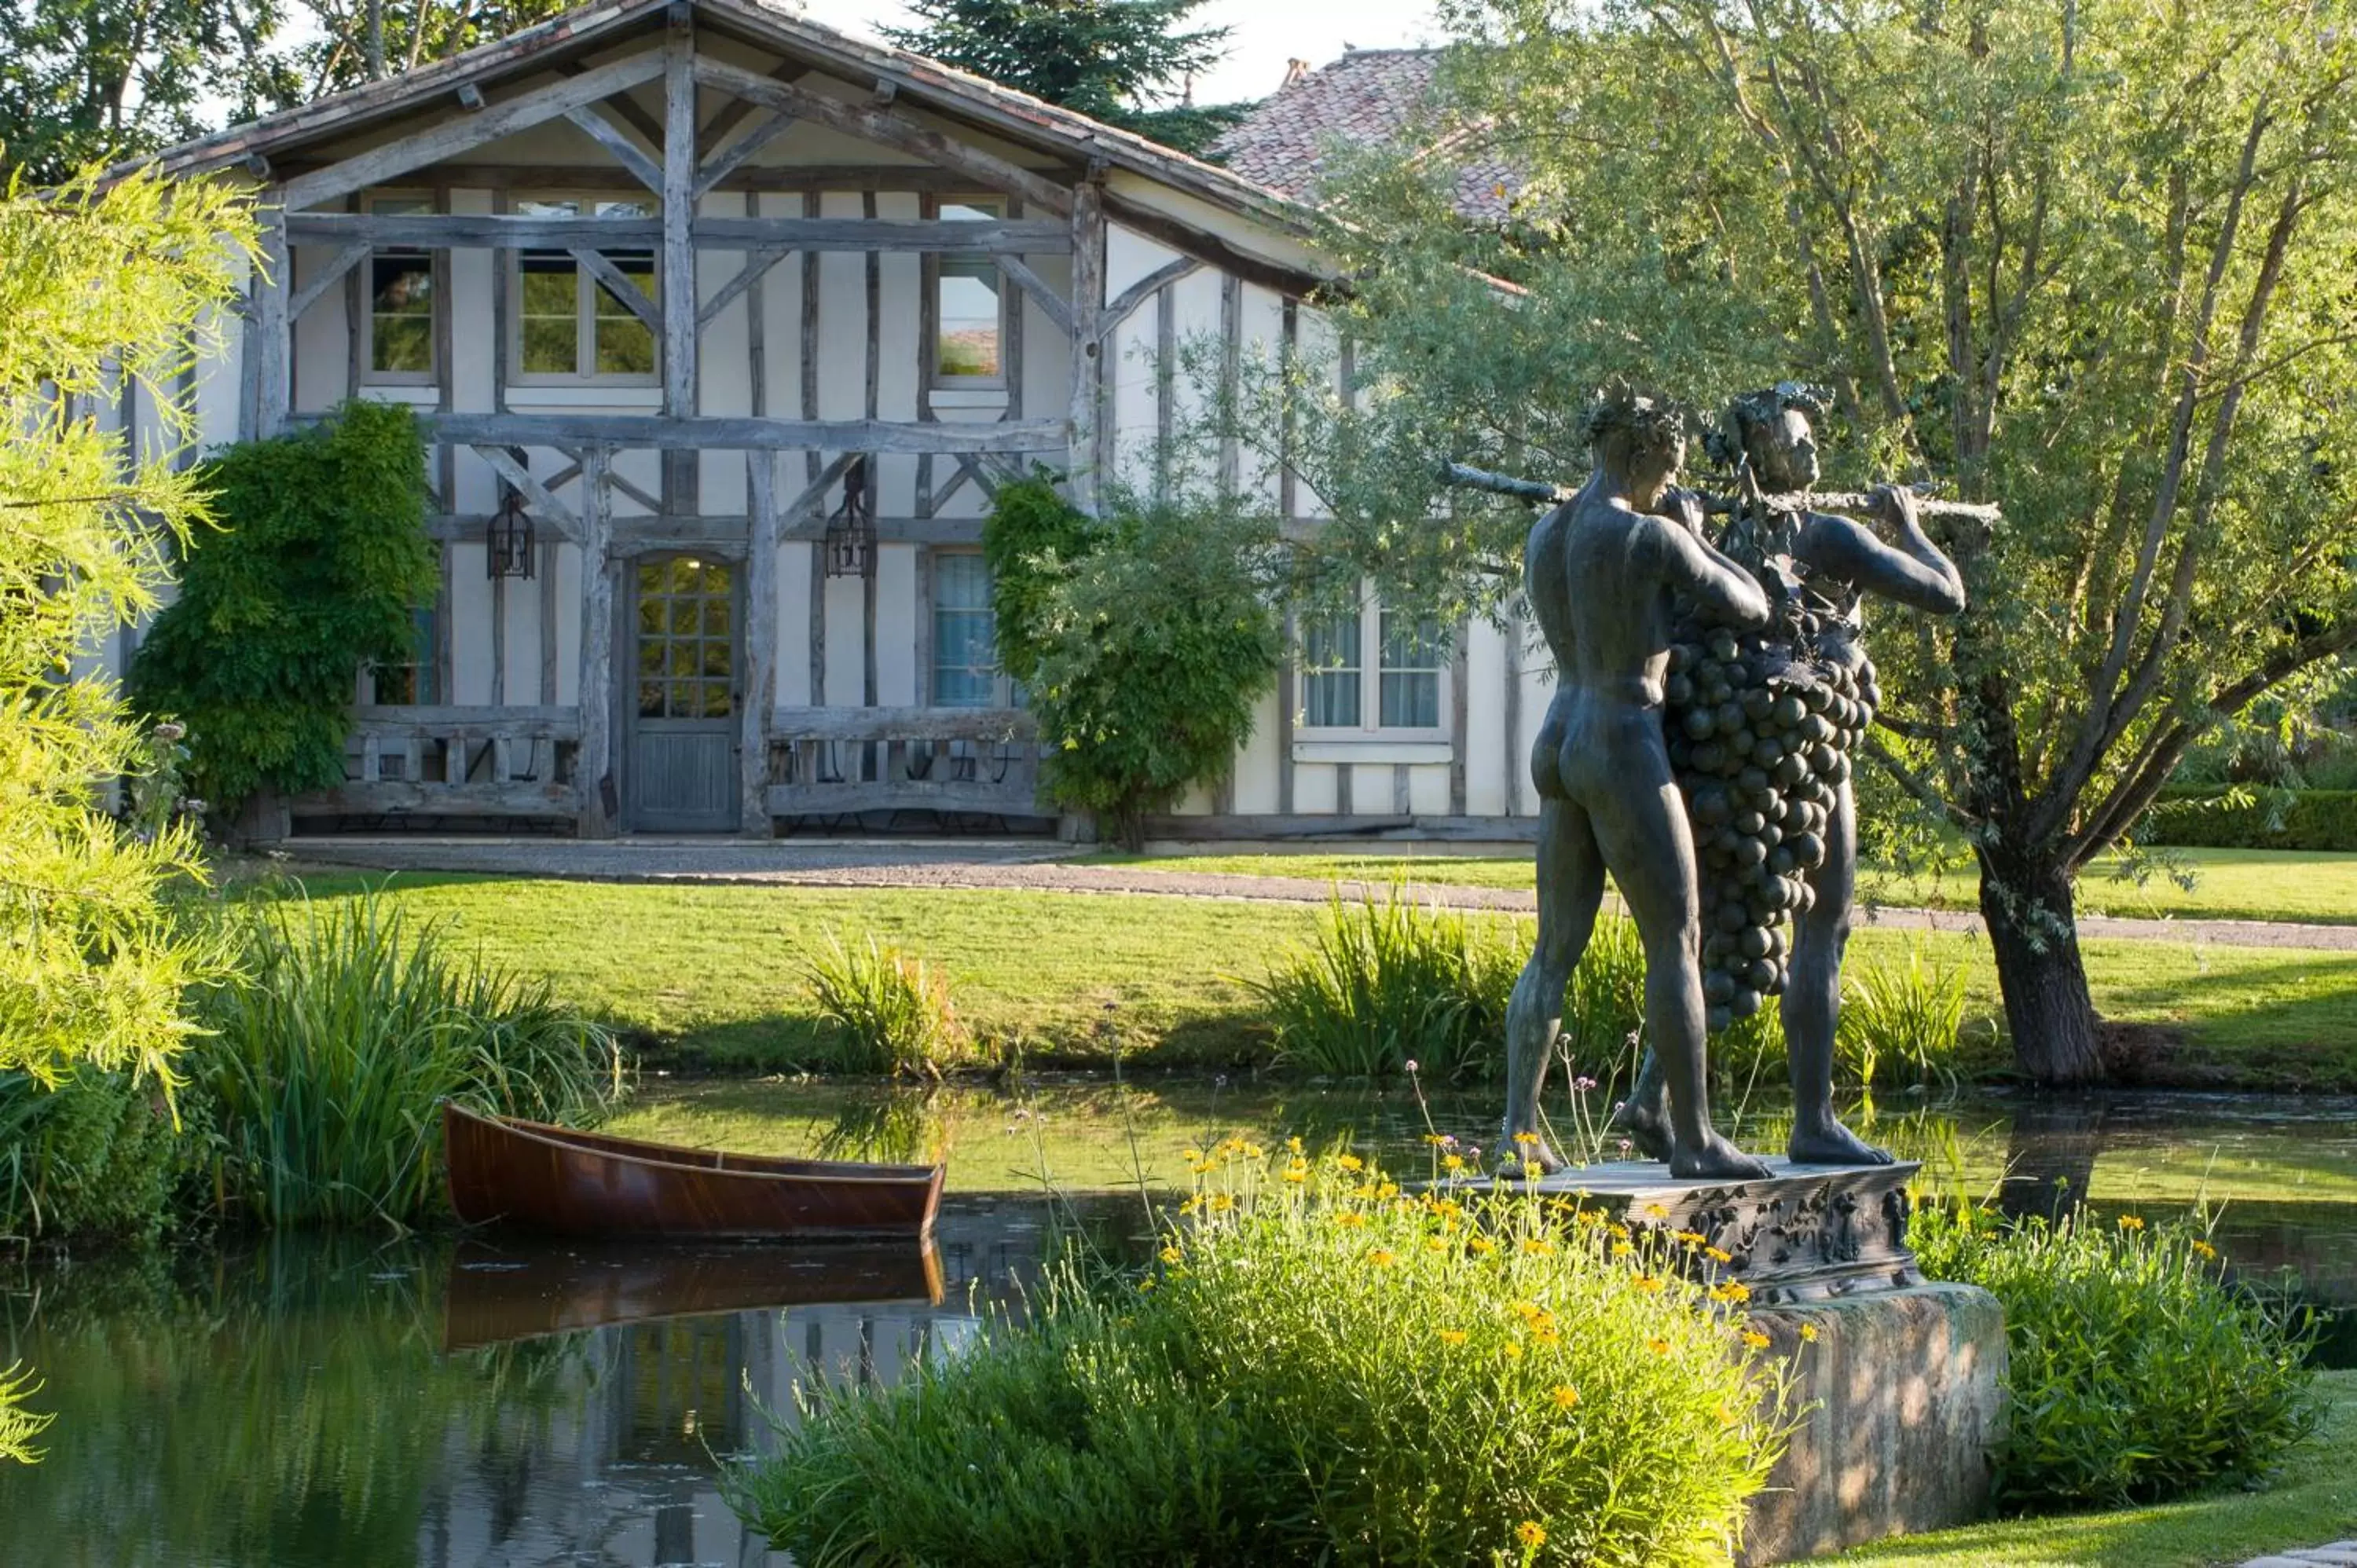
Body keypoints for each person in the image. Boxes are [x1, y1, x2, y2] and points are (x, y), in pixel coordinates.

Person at [1617, 386, 1967, 1167]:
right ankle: (1814, 1119)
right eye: (1796, 445)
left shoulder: (1701, 534)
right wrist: (1908, 525)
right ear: (1759, 458)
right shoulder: (1826, 534)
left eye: (1812, 443)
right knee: (1823, 920)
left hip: (1721, 756)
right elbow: (1946, 594)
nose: (1811, 456)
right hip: (1807, 746)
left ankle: (1650, 1096)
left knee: (1723, 921)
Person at [1502, 386, 1775, 1180]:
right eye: (1667, 462)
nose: (1671, 477)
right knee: (1678, 936)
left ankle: (1516, 1133)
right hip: (1622, 736)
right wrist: (1698, 537)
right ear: (1635, 453)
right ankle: (1692, 1139)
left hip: (1559, 738)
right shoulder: (1648, 536)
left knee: (1554, 949)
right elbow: (1751, 606)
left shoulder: (1545, 533)